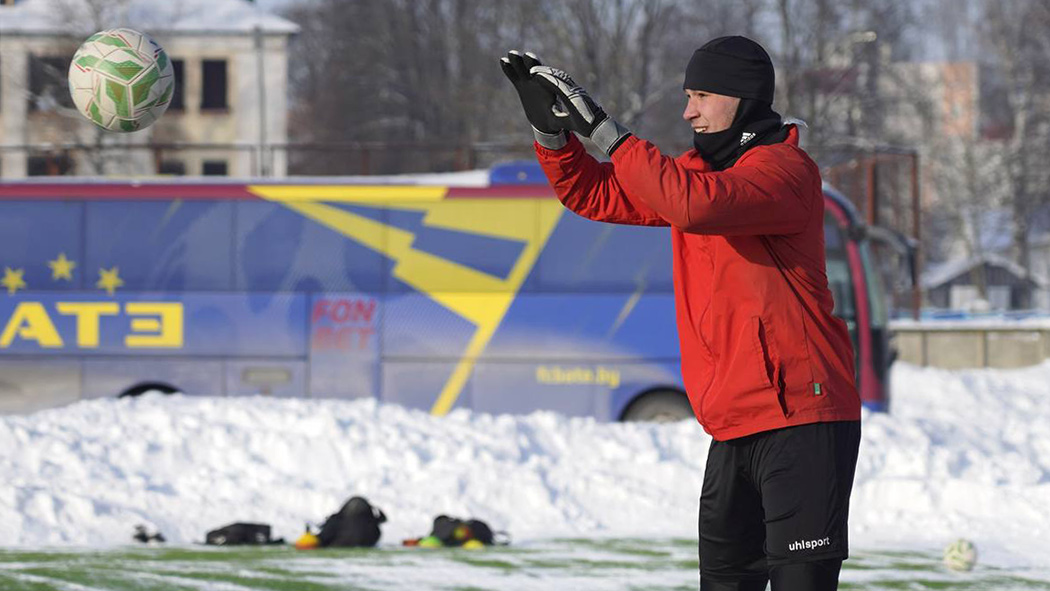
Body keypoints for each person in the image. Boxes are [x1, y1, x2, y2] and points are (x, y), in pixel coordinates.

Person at [501, 36, 862, 591]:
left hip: (802, 418)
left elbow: (695, 205)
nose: (688, 109)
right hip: (732, 423)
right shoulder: (690, 175)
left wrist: (605, 129)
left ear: (742, 99)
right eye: (686, 94)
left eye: (701, 95)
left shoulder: (785, 171)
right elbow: (591, 194)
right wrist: (552, 136)